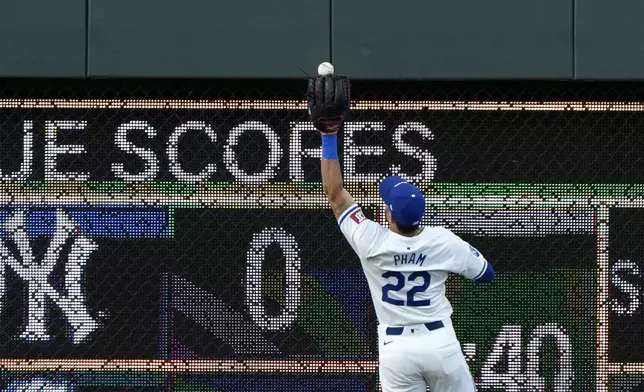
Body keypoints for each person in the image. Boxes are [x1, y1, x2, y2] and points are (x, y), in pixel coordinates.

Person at [307, 74, 495, 392]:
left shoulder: (371, 241)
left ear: (389, 216)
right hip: (440, 343)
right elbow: (486, 274)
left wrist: (329, 134)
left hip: (397, 350)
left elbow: (335, 194)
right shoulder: (442, 241)